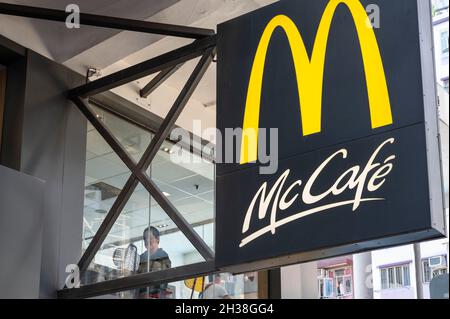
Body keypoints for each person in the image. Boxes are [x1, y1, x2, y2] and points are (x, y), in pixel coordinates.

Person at [137, 226, 172, 299]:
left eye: (150, 238)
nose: (147, 241)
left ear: (157, 239)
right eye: (145, 238)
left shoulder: (162, 256)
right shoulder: (140, 258)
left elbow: (160, 278)